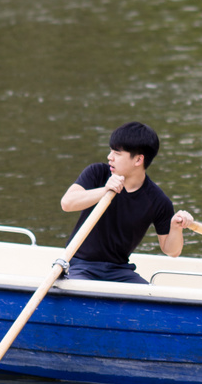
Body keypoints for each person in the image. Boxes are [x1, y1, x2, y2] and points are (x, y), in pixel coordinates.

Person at [59, 121, 194, 284]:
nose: (110, 157)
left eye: (117, 153)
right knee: (81, 288)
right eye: (111, 151)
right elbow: (67, 203)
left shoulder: (157, 200)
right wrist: (104, 191)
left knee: (150, 300)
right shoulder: (97, 174)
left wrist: (176, 228)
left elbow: (172, 251)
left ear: (138, 160)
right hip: (80, 266)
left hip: (119, 270)